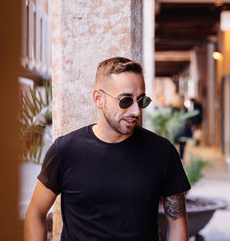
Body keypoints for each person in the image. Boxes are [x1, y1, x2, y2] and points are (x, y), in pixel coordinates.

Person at [24, 57, 191, 241]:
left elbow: (177, 224)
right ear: (99, 99)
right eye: (125, 100)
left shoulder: (162, 152)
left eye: (141, 100)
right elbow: (36, 212)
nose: (136, 111)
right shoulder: (65, 150)